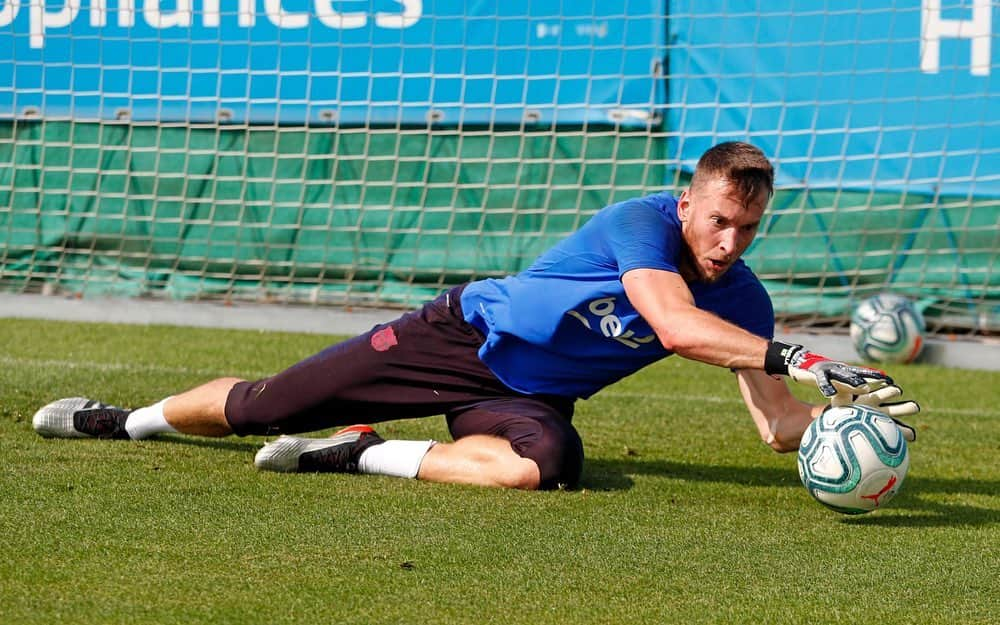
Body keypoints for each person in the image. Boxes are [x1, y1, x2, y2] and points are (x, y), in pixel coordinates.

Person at [32, 142, 919, 491]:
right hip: (460, 336)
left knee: (542, 469)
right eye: (719, 218)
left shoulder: (747, 302)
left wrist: (841, 415)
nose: (729, 241)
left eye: (747, 228)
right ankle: (124, 419)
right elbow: (677, 326)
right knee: (261, 406)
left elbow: (774, 424)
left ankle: (358, 450)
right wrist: (801, 354)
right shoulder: (638, 224)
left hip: (528, 392)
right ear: (688, 201)